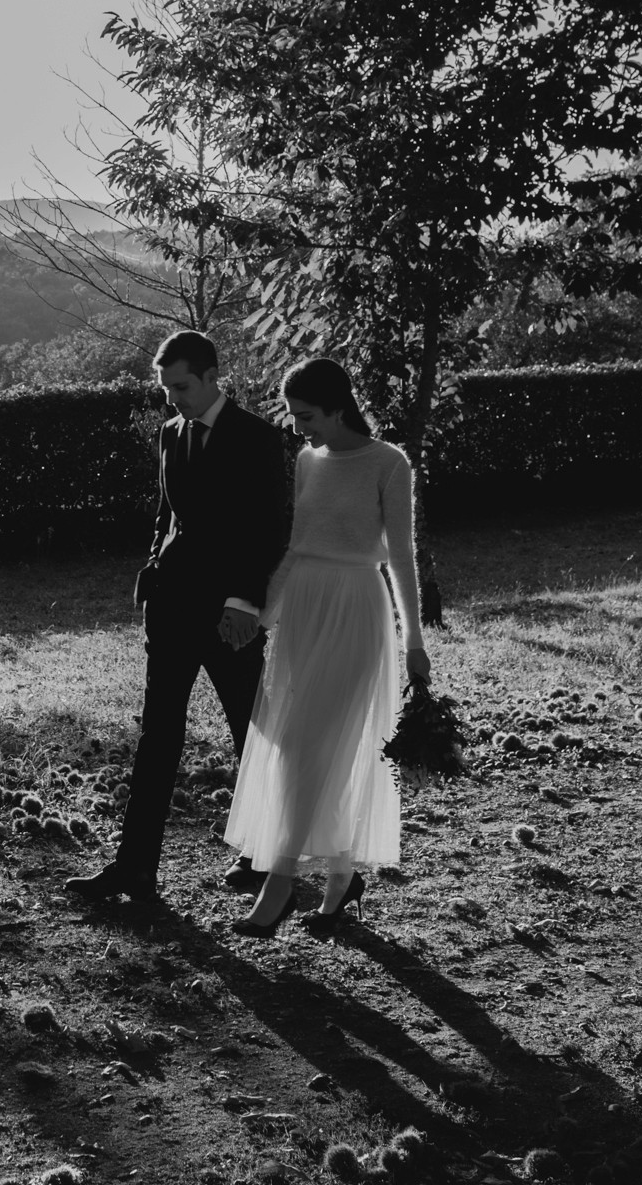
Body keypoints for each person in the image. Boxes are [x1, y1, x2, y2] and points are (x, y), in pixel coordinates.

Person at [66, 330, 289, 906]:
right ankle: (134, 868)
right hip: (170, 610)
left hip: (229, 617)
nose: (173, 399)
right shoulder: (169, 434)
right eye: (166, 389)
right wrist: (150, 572)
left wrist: (244, 603)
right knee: (157, 738)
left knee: (253, 735)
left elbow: (268, 528)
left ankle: (268, 855)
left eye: (182, 386)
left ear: (214, 375)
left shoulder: (259, 439)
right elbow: (166, 514)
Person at [226, 356, 430, 938]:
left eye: (308, 415)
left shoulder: (388, 463)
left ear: (339, 407)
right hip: (303, 614)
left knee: (316, 743)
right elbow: (295, 548)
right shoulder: (306, 460)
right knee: (303, 747)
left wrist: (414, 640)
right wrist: (263, 618)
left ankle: (282, 882)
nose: (299, 428)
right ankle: (341, 879)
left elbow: (401, 559)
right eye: (293, 417)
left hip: (357, 610)